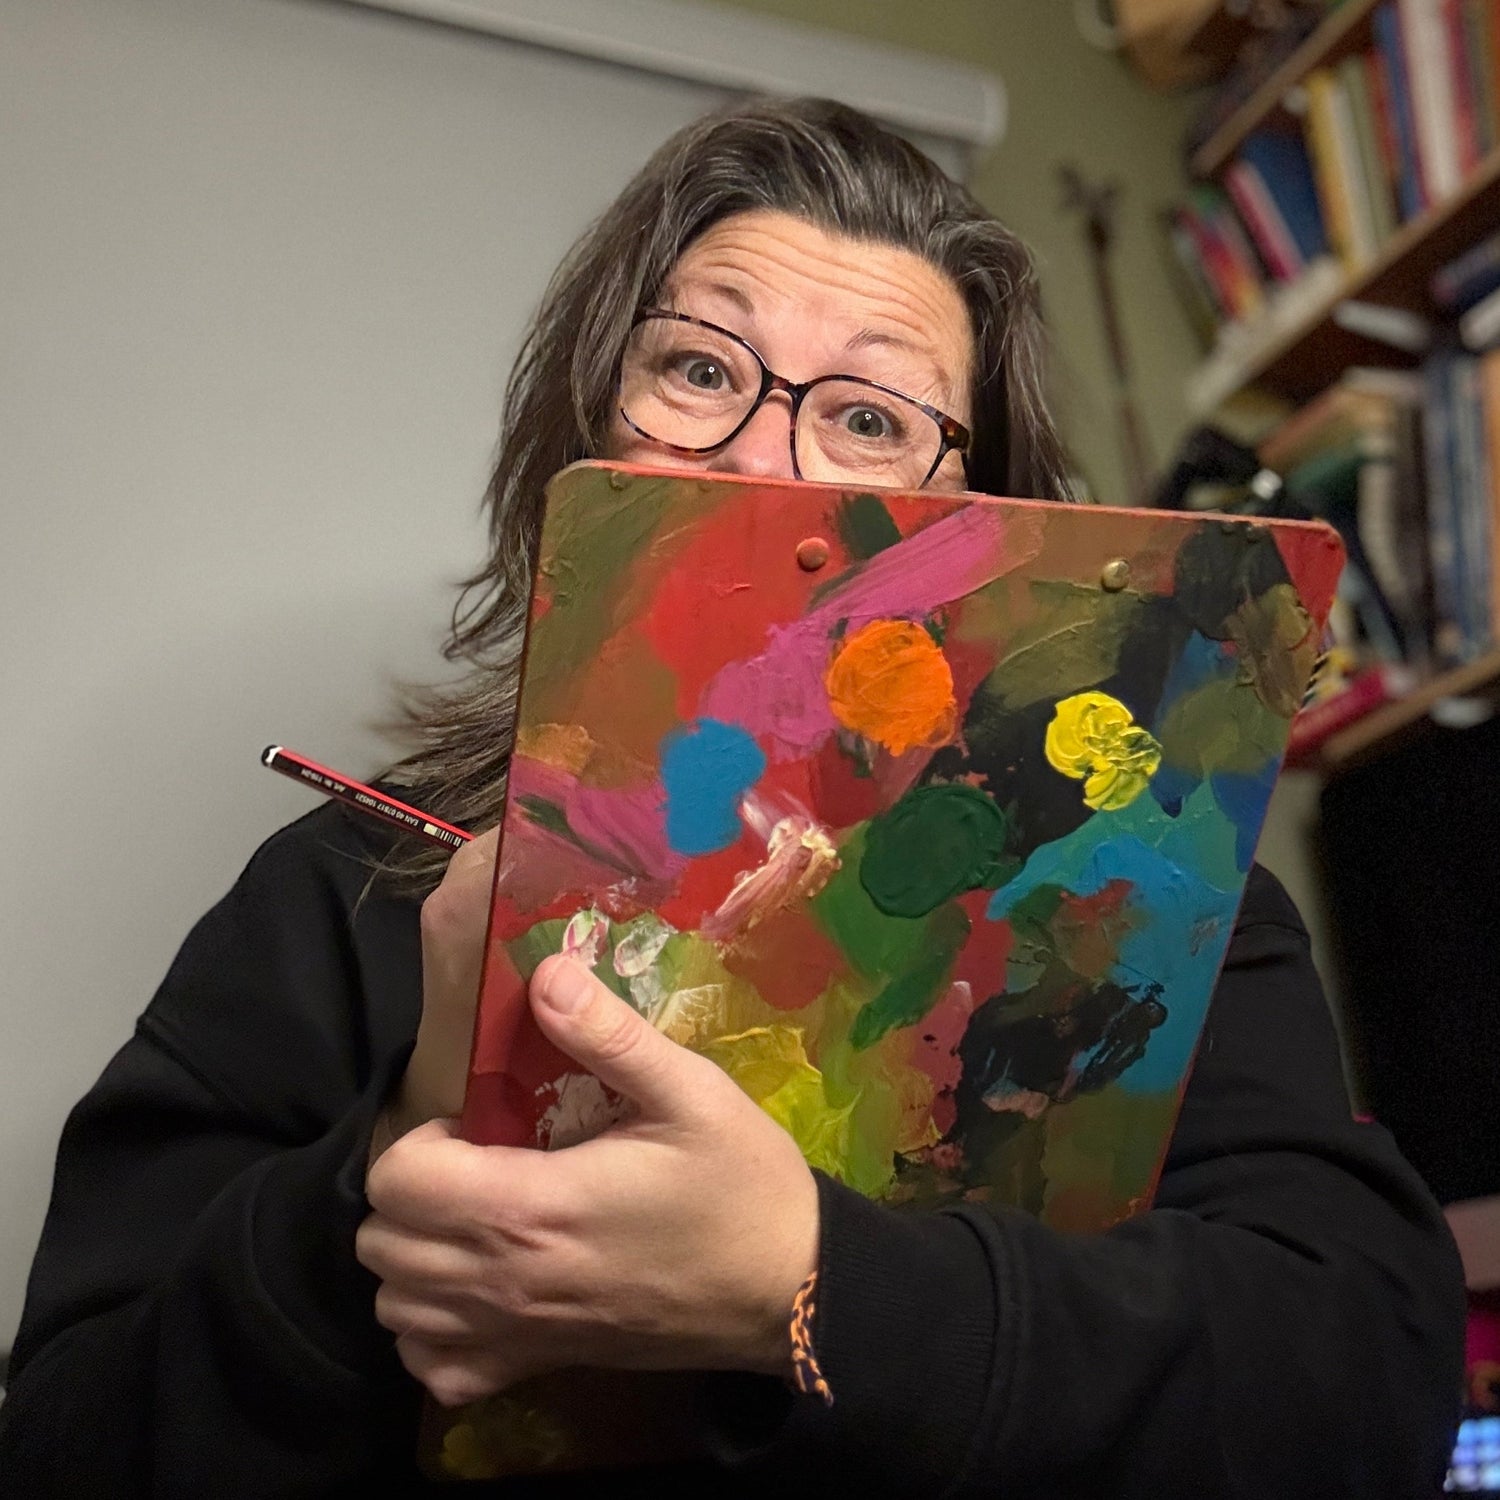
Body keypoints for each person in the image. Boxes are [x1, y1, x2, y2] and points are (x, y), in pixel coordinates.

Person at [0, 97, 1465, 1499]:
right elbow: (66, 1448)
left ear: (984, 521)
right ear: (583, 427)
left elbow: (1364, 1393)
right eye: (700, 369)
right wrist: (396, 1156)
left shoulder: (1134, 897)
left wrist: (801, 1285)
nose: (770, 466)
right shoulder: (338, 894)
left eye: (874, 419)